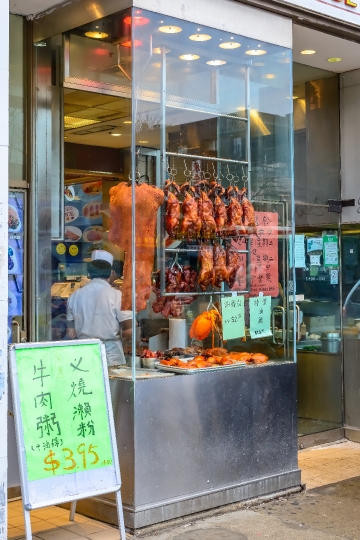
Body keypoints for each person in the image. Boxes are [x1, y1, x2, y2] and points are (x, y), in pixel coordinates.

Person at [66, 250, 132, 366]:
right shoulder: (117, 295)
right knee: (112, 383)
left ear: (89, 273)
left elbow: (71, 333)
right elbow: (129, 332)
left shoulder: (74, 296)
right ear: (111, 273)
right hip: (111, 357)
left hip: (84, 355)